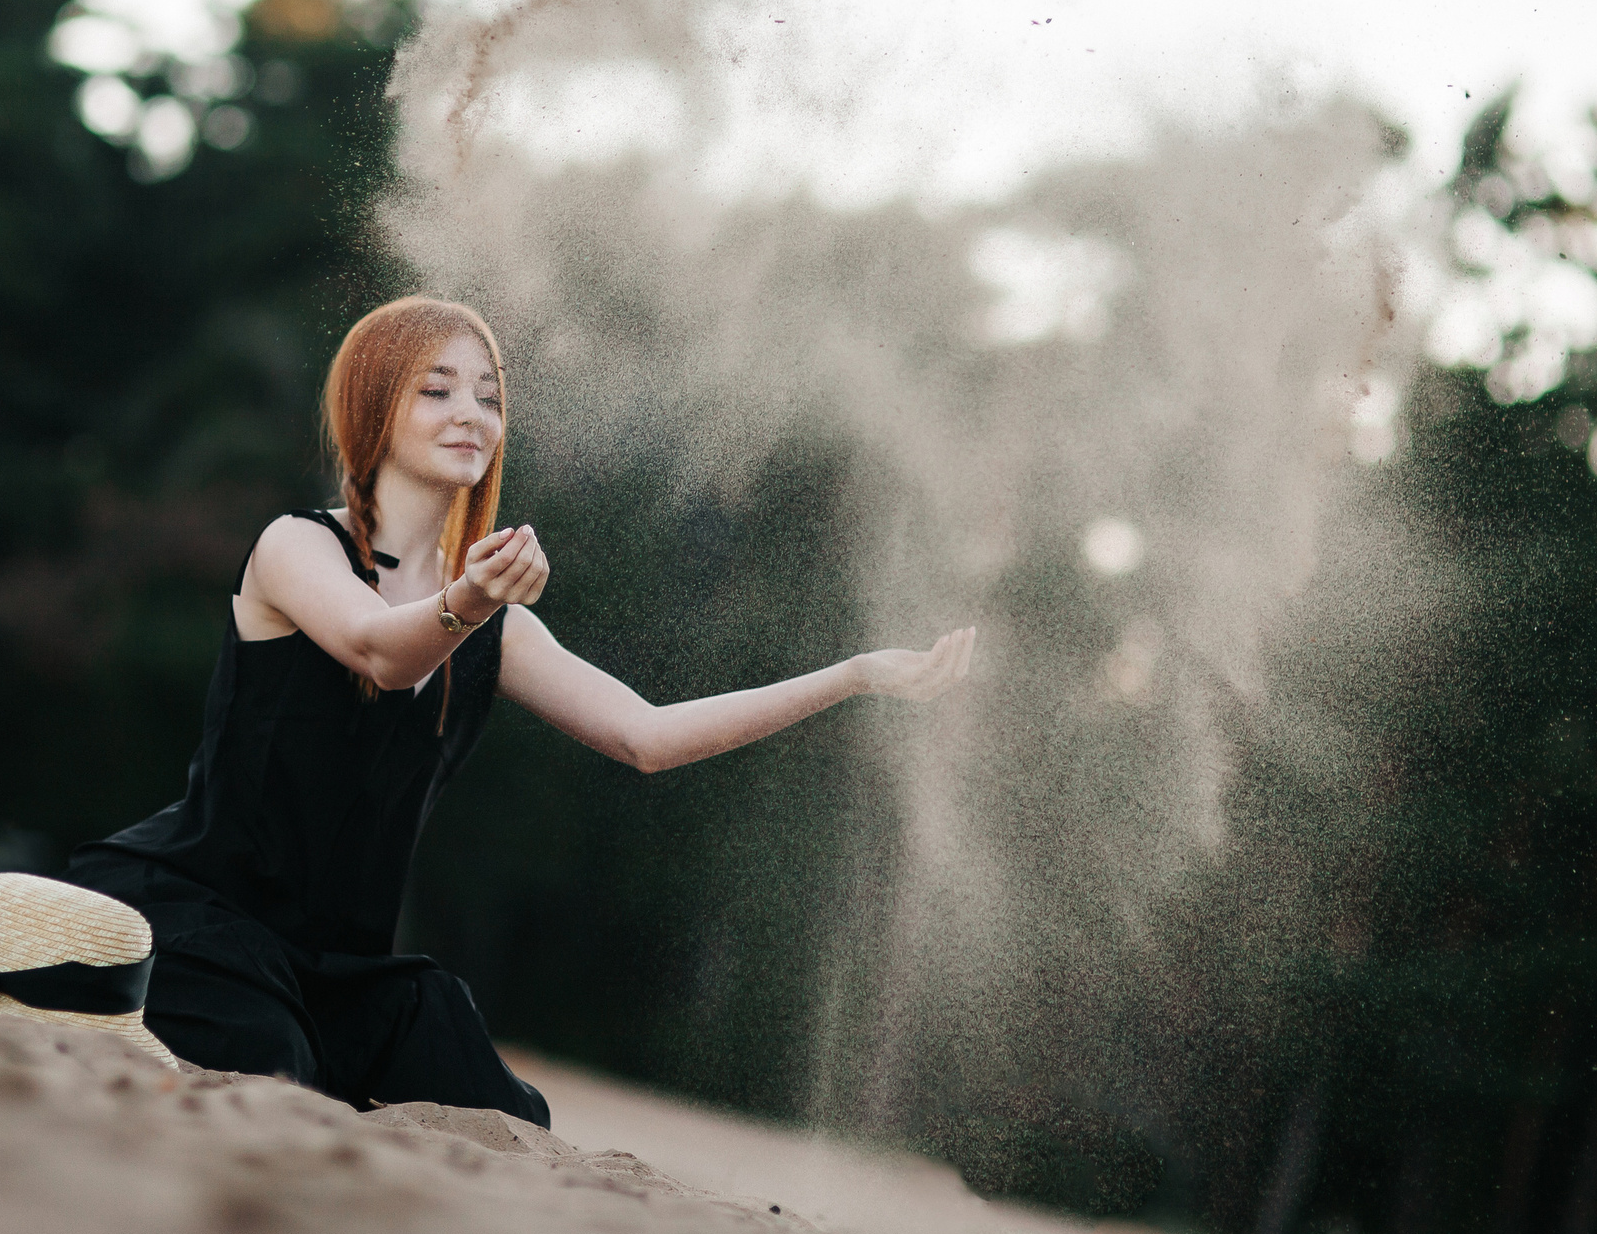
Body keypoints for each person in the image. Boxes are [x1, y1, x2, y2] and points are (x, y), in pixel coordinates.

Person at [64, 296, 975, 1125]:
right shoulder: (297, 547)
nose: (471, 412)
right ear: (373, 407)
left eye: (489, 396)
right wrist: (469, 600)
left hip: (346, 969)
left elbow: (647, 736)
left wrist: (852, 674)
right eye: (437, 390)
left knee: (509, 1117)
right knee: (269, 1074)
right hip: (205, 918)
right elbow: (379, 650)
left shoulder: (494, 625)